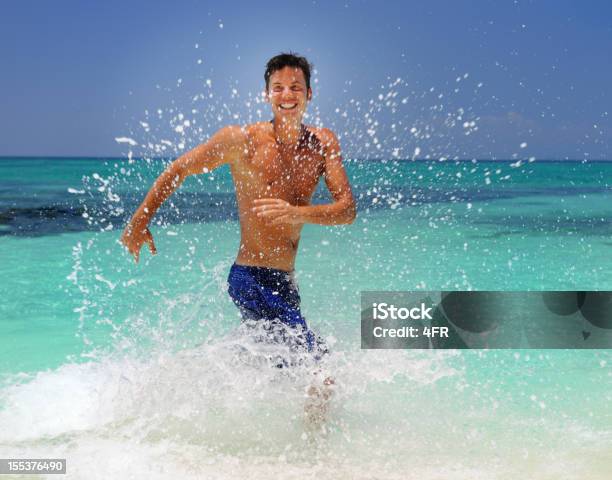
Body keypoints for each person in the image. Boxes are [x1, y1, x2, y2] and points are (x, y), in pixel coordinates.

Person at [120, 52, 356, 367]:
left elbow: (347, 211)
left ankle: (193, 372)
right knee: (318, 366)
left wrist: (296, 213)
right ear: (267, 94)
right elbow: (179, 169)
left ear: (309, 94)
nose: (287, 95)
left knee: (275, 369)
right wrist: (140, 221)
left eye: (296, 88)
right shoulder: (241, 140)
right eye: (278, 87)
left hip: (284, 280)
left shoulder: (323, 143)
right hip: (251, 278)